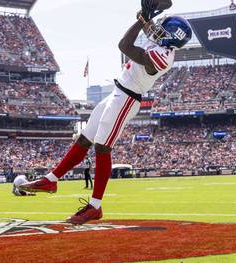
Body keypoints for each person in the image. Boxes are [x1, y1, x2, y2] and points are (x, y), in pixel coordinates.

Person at [20, 6, 192, 224]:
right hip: (117, 92)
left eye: (163, 31)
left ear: (171, 41)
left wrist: (143, 20)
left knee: (102, 146)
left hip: (128, 98)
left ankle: (95, 206)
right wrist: (145, 15)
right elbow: (145, 24)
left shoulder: (163, 57)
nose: (157, 31)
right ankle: (51, 180)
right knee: (84, 139)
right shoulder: (161, 43)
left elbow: (124, 45)